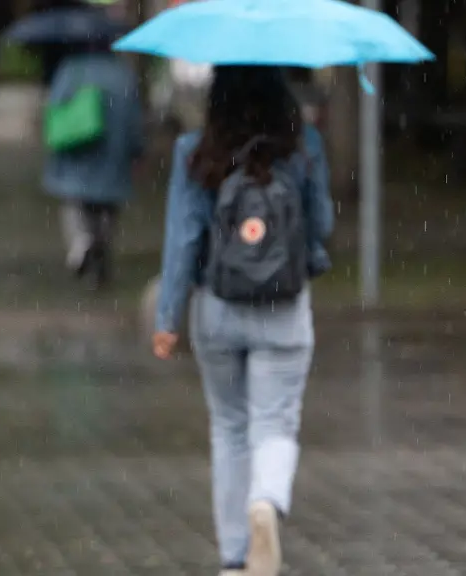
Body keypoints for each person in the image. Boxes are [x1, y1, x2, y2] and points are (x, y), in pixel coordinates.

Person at [151, 66, 332, 576]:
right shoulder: (304, 146)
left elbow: (182, 239)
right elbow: (322, 225)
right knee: (274, 424)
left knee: (229, 429)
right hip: (284, 309)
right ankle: (266, 501)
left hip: (218, 307)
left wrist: (168, 315)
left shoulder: (196, 149)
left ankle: (234, 559)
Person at [41, 42, 144, 289]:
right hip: (113, 154)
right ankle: (101, 253)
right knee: (107, 209)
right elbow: (134, 118)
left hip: (78, 151)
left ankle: (82, 242)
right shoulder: (124, 73)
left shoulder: (71, 69)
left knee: (75, 203)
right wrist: (137, 150)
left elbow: (55, 107)